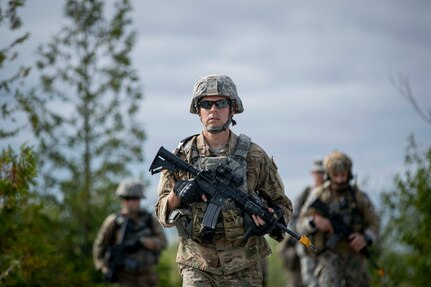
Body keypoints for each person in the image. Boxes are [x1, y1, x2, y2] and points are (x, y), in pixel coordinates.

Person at [154, 74, 293, 286]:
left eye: (221, 103)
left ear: (233, 108)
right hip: (197, 263)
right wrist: (177, 195)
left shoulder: (254, 156)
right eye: (206, 104)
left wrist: (269, 220)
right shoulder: (182, 156)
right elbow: (161, 212)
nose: (213, 110)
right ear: (198, 110)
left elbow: (283, 205)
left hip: (244, 264)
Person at [296, 151, 380, 287]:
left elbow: (374, 225)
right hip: (328, 258)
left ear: (349, 174)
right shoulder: (318, 195)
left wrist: (365, 238)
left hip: (354, 259)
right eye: (336, 175)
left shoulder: (359, 197)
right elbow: (300, 226)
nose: (340, 180)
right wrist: (314, 222)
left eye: (343, 175)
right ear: (329, 174)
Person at [93, 179, 167, 287]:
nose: (131, 202)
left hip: (147, 277)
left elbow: (163, 242)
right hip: (123, 278)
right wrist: (105, 268)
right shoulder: (113, 221)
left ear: (140, 199)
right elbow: (99, 247)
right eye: (127, 198)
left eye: (135, 198)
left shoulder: (149, 220)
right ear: (122, 199)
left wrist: (143, 242)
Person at [278, 159, 324, 287]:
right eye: (317, 172)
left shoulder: (329, 195)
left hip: (324, 248)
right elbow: (293, 221)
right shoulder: (305, 194)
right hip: (303, 246)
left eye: (322, 173)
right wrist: (310, 225)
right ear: (312, 173)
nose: (319, 176)